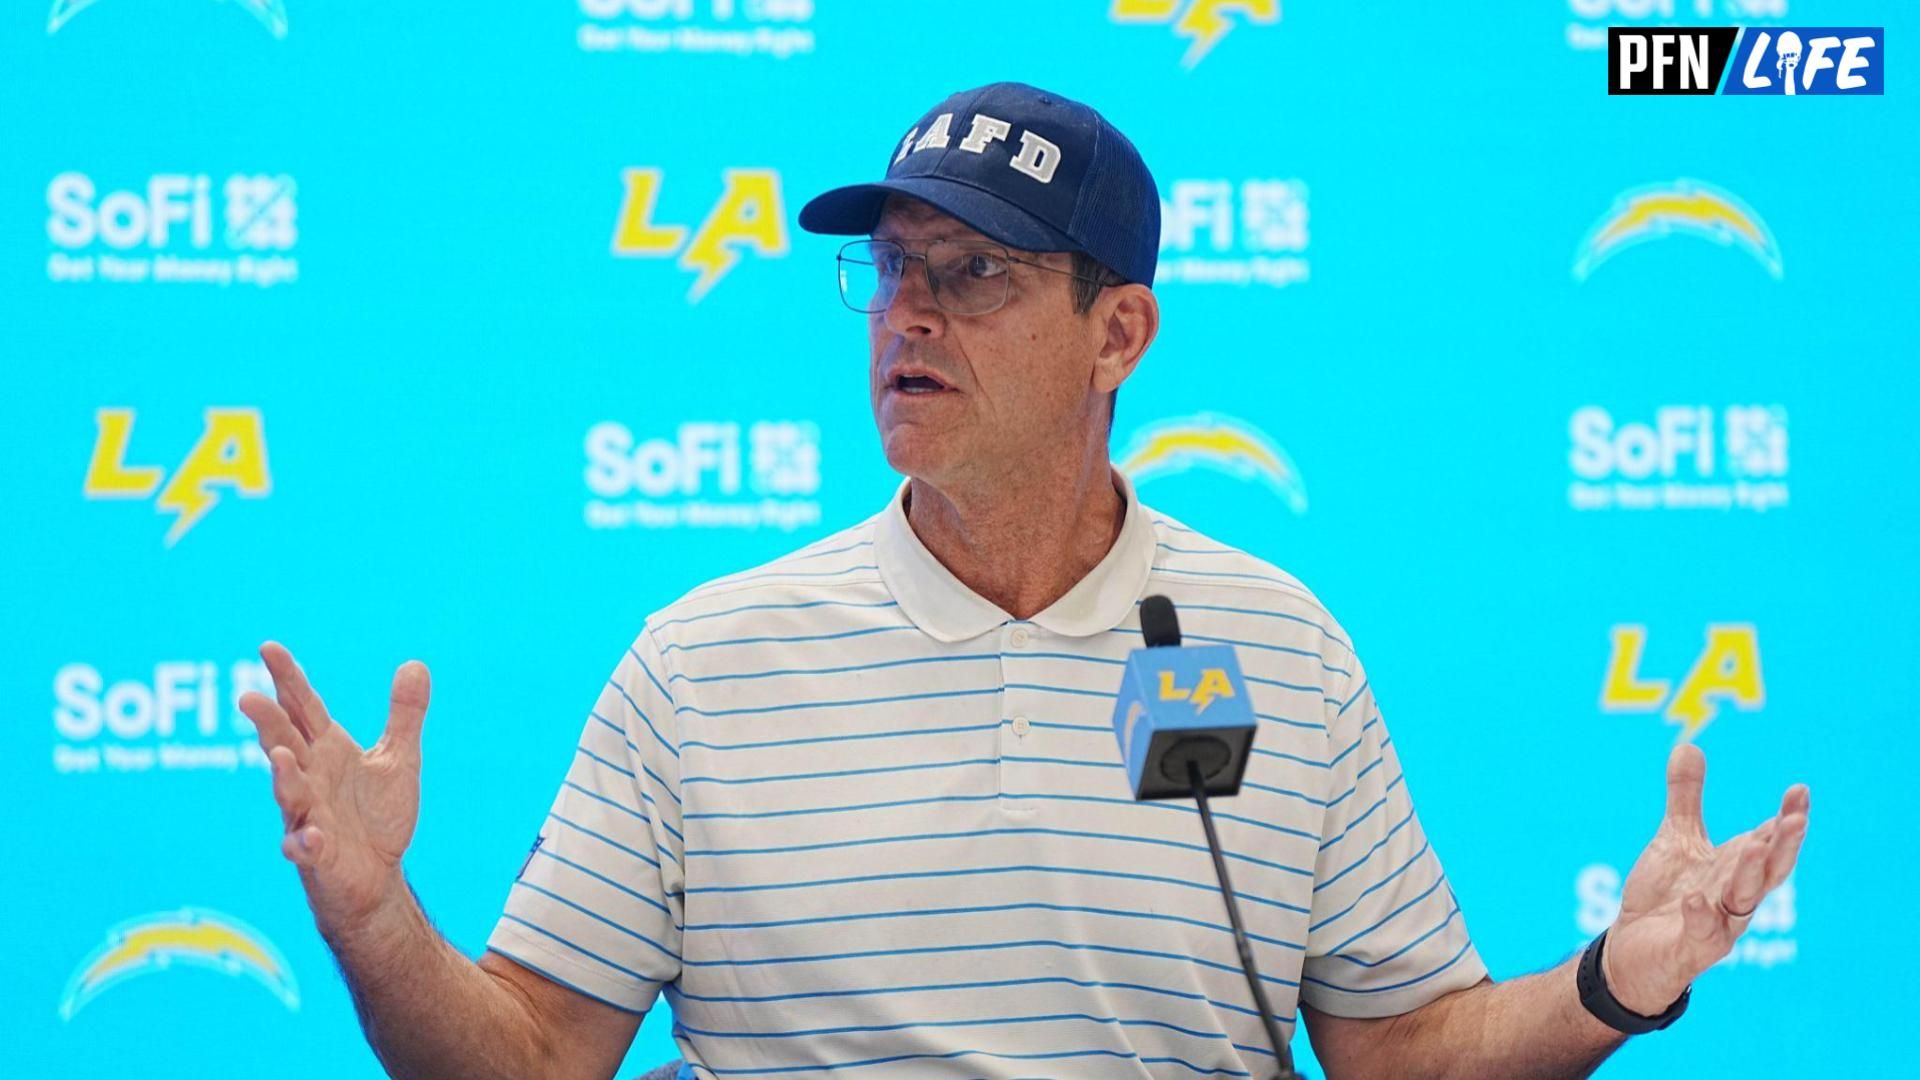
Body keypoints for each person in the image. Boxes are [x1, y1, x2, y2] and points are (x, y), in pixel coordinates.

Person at [240, 82, 1810, 1079]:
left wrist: (1613, 982)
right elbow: (526, 1059)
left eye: (974, 274)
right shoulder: (703, 661)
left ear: (1118, 334)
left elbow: (1403, 1050)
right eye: (892, 268)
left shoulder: (1276, 644)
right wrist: (377, 918)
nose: (906, 315)